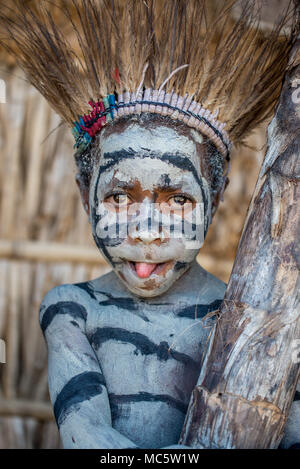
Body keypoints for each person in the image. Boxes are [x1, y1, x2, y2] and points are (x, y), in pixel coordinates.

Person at [1, 0, 298, 448]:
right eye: (119, 197)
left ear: (215, 199)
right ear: (86, 195)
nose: (145, 230)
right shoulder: (73, 309)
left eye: (177, 199)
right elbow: (87, 437)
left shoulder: (247, 316)